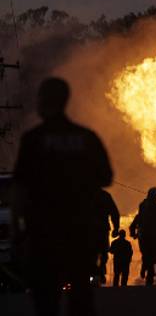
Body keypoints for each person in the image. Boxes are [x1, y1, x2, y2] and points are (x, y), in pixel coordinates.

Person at [12, 77, 113, 316]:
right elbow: (106, 178)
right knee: (81, 297)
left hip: (43, 232)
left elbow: (19, 188)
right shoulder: (86, 137)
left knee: (46, 299)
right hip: (79, 230)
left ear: (44, 101)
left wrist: (18, 231)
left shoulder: (33, 139)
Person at [129, 187, 156, 286]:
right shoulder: (145, 205)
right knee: (151, 256)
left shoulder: (147, 206)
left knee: (151, 256)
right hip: (149, 236)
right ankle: (149, 274)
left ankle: (149, 274)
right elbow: (139, 218)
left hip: (152, 236)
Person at [90, 189, 120, 285]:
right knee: (101, 253)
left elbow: (114, 213)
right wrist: (116, 228)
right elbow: (114, 213)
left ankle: (98, 270)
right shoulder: (104, 195)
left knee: (99, 253)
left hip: (94, 230)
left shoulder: (82, 193)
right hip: (99, 230)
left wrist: (116, 228)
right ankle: (98, 271)